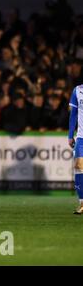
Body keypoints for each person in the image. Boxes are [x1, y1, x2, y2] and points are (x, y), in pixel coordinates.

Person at [68, 85, 83, 214]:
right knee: (79, 171)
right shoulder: (77, 90)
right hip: (81, 139)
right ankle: (82, 204)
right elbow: (73, 114)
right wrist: (70, 135)